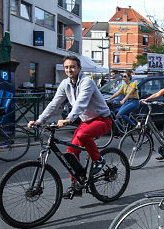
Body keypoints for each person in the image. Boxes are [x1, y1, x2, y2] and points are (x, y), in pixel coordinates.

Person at [27, 55, 111, 198]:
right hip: (86, 121)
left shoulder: (87, 82)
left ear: (79, 68)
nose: (69, 70)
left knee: (82, 135)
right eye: (66, 67)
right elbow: (55, 103)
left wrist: (68, 119)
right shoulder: (65, 84)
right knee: (70, 152)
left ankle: (98, 160)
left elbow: (81, 103)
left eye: (72, 67)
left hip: (102, 119)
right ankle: (76, 186)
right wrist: (39, 120)